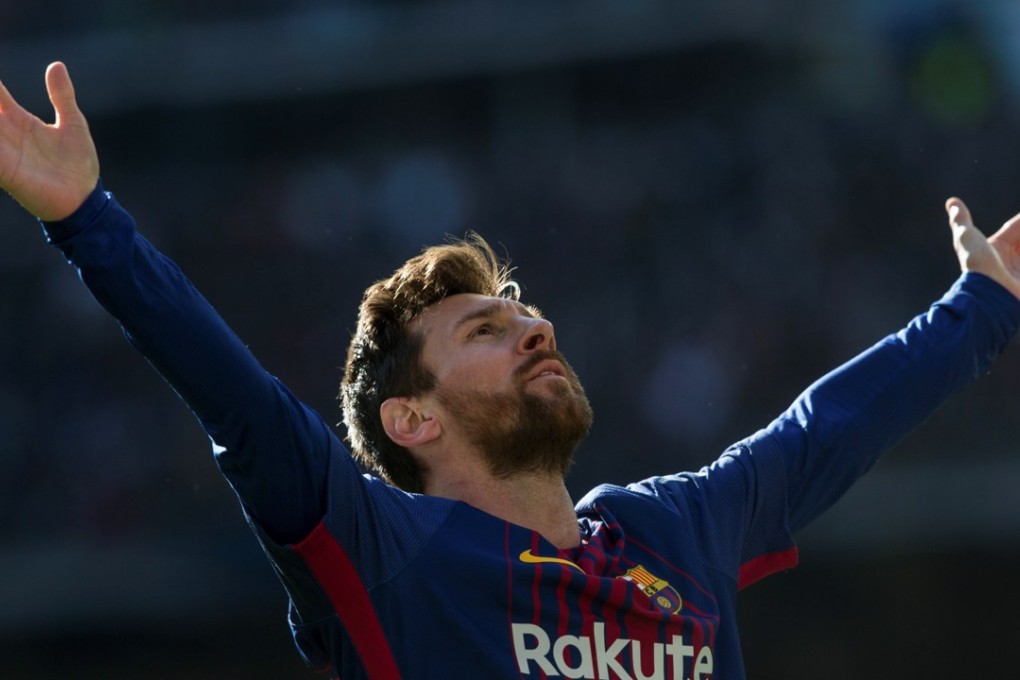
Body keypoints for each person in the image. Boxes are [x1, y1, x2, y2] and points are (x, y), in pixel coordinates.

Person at [3, 62, 1020, 680]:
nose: (536, 327)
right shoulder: (388, 553)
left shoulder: (670, 533)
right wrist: (87, 221)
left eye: (527, 312)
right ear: (412, 418)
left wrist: (984, 304)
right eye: (486, 329)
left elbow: (827, 427)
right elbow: (239, 401)